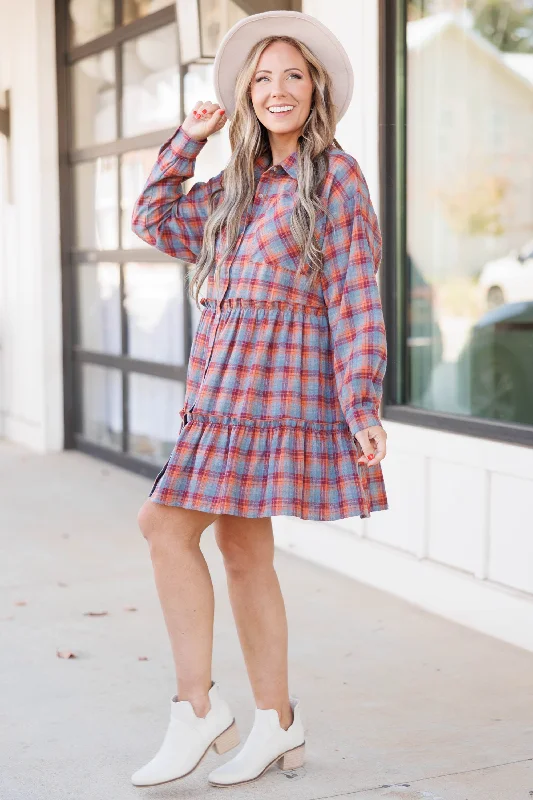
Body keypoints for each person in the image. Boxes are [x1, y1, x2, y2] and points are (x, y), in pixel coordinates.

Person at [129, 9, 388, 789]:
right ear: (247, 91)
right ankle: (277, 723)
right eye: (264, 77)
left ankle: (196, 708)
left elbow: (354, 298)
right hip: (219, 393)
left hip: (275, 395)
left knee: (161, 524)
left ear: (316, 91)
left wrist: (362, 403)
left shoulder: (334, 177)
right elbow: (152, 220)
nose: (278, 89)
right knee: (242, 551)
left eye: (294, 76)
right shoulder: (235, 184)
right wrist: (190, 139)